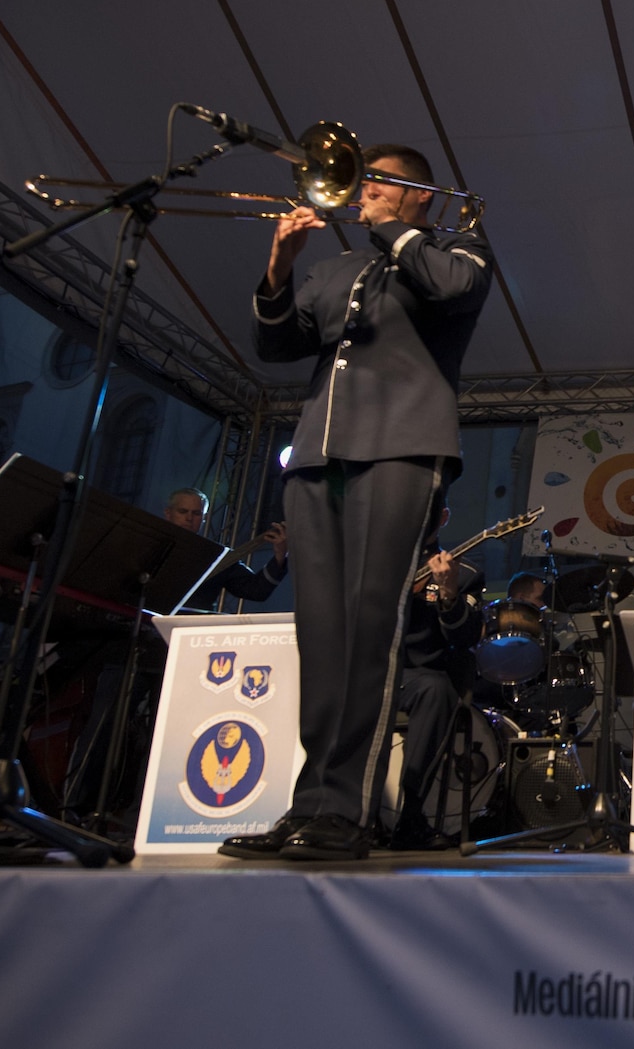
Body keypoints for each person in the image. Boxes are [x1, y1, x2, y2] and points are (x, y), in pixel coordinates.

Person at [221, 144, 493, 862]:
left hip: (401, 450)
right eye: (363, 179)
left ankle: (350, 810)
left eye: (380, 180)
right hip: (318, 457)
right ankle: (312, 803)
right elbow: (275, 343)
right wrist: (281, 262)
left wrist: (393, 227)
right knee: (323, 632)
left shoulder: (452, 247)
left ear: (419, 194)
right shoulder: (336, 267)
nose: (364, 189)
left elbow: (451, 288)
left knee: (372, 625)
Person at [387, 514, 486, 851]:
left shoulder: (465, 573)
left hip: (420, 675)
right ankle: (347, 816)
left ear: (442, 517)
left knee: (436, 689)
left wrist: (448, 594)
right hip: (373, 671)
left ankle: (411, 816)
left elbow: (465, 636)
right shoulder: (377, 564)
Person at [161, 487, 290, 610]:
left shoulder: (216, 556)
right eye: (183, 511)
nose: (189, 518)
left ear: (204, 518)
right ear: (168, 513)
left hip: (190, 627)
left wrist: (280, 554)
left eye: (196, 513)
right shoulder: (149, 545)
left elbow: (256, 591)